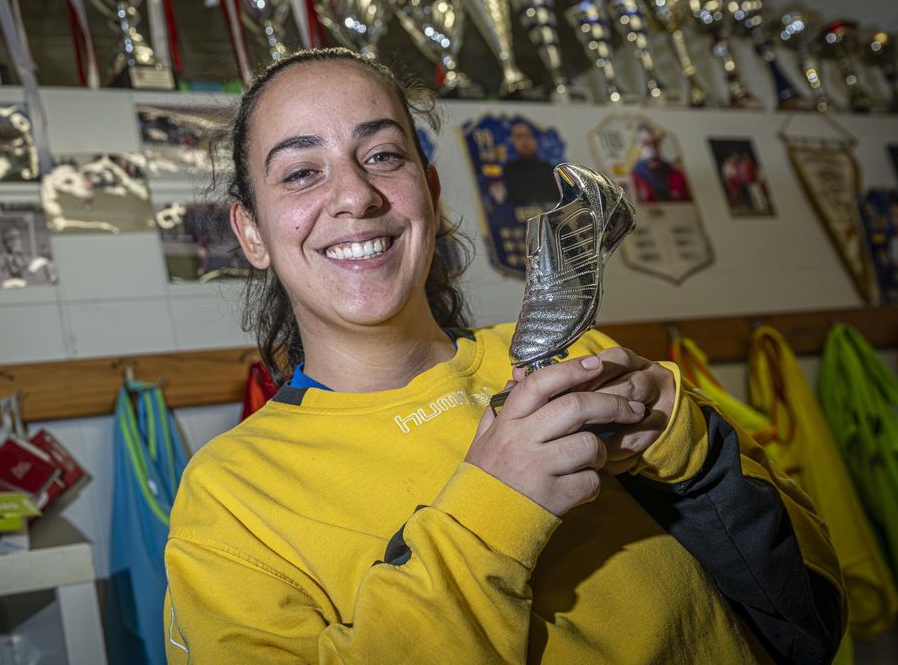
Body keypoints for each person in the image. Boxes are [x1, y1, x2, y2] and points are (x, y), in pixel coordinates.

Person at [162, 48, 844, 664]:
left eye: (382, 156)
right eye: (302, 172)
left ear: (428, 188)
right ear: (250, 232)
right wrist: (492, 511)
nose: (355, 196)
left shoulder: (584, 359)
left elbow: (813, 614)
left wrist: (695, 459)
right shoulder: (229, 497)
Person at [501, 120, 559, 207]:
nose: (524, 141)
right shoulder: (509, 171)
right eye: (518, 137)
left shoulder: (551, 170)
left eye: (527, 136)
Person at [631, 124, 691, 203]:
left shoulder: (677, 176)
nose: (652, 147)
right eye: (646, 143)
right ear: (638, 145)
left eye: (655, 142)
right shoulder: (633, 178)